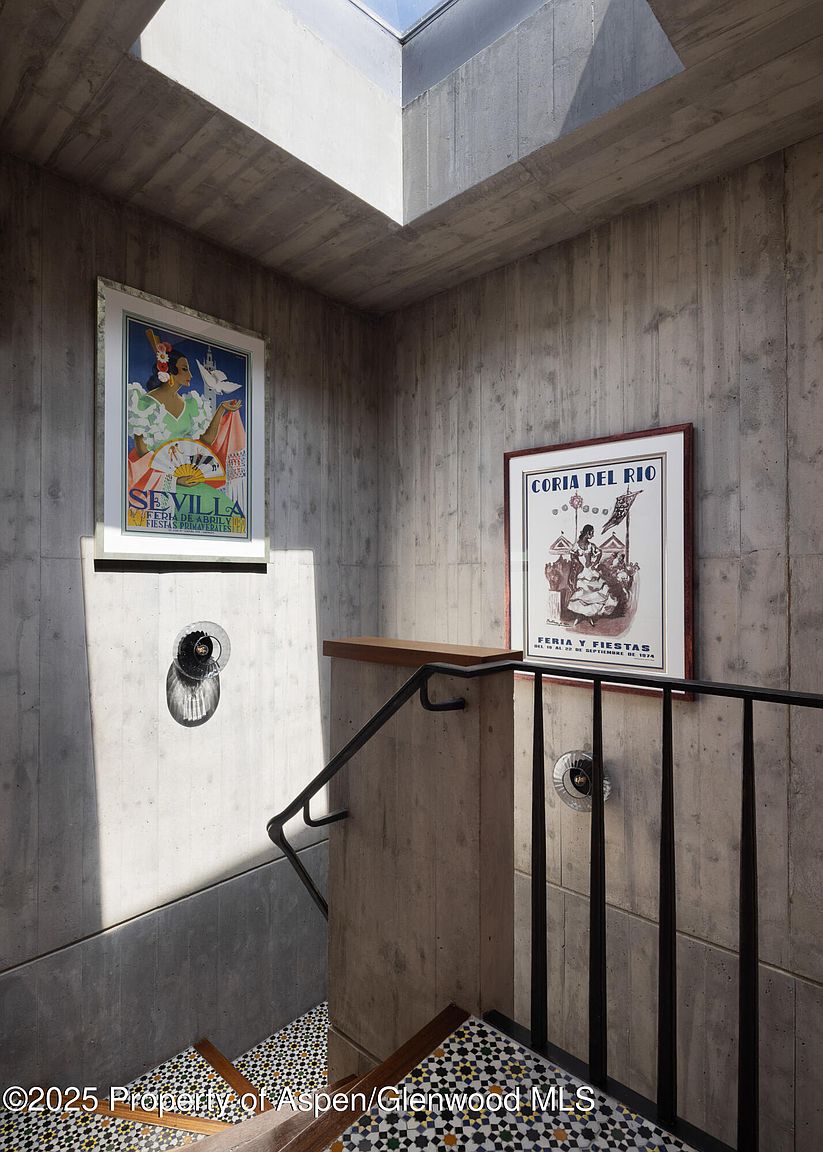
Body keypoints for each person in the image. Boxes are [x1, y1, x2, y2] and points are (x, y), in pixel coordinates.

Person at [566, 524, 618, 626]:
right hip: (582, 573)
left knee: (595, 593)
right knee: (582, 594)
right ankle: (580, 615)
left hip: (591, 572)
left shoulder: (591, 546)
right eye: (592, 533)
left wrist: (594, 564)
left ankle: (589, 616)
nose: (593, 535)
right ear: (587, 533)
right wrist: (578, 563)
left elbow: (599, 552)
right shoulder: (576, 545)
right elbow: (572, 556)